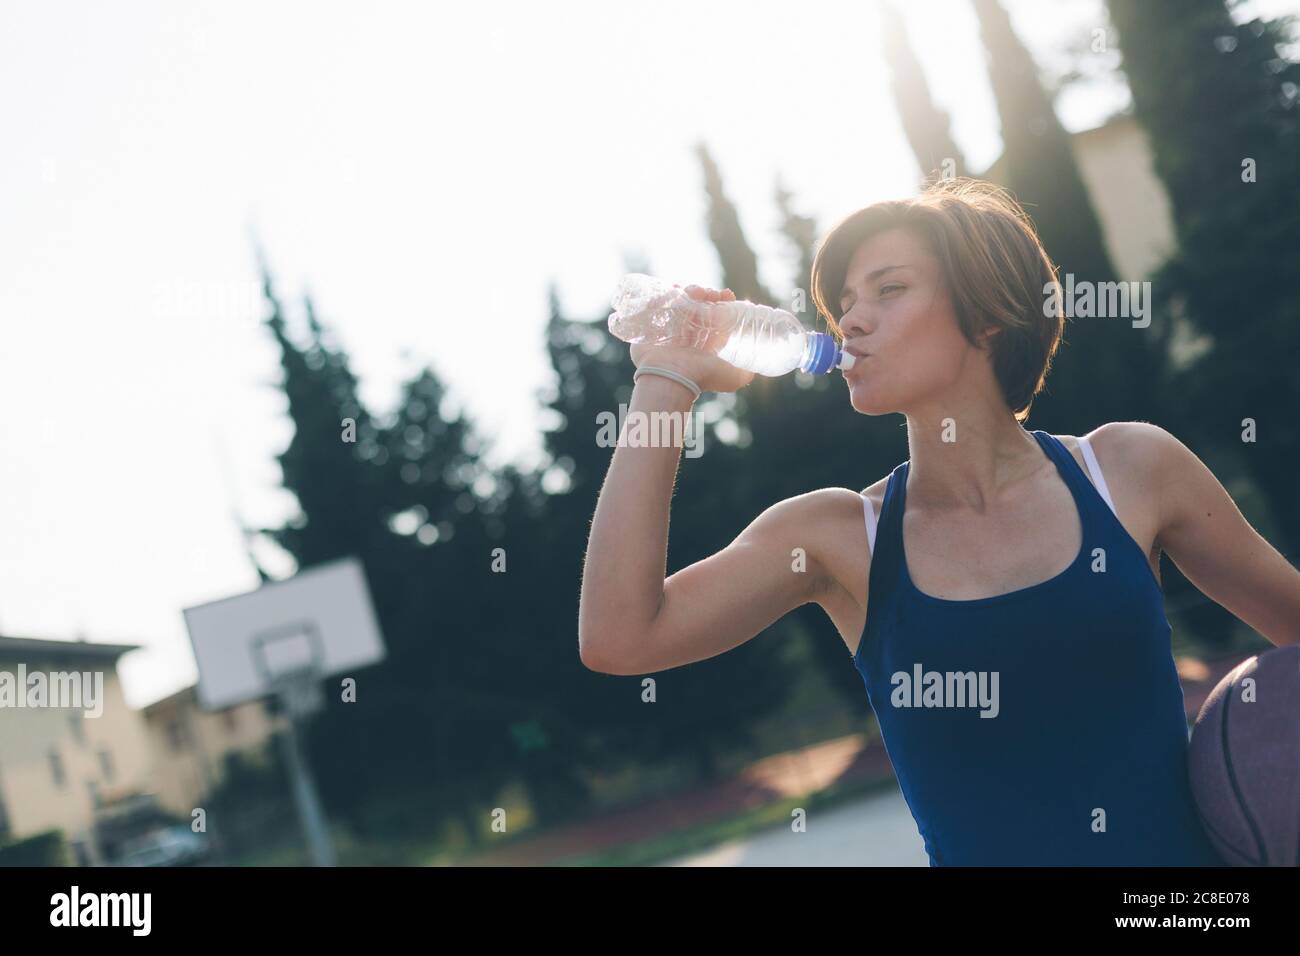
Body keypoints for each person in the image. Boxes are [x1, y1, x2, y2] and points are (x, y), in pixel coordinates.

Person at [577, 177, 1300, 865]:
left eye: (889, 290)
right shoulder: (835, 538)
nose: (851, 319)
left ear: (988, 312)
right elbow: (619, 636)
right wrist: (663, 382)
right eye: (844, 302)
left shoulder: (1131, 471)